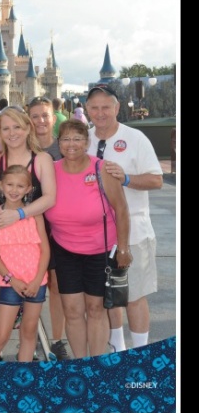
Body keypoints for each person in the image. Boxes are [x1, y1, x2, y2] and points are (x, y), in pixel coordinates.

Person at [44, 119, 131, 359]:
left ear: (86, 142)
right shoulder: (50, 171)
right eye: (65, 139)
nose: (71, 144)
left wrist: (123, 248)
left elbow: (121, 210)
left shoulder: (102, 169)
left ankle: (96, 365)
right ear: (58, 143)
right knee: (72, 311)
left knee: (95, 309)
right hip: (64, 251)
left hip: (100, 251)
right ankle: (80, 365)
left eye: (77, 138)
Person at [85, 84, 163, 351]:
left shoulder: (136, 138)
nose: (100, 113)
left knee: (134, 296)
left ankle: (140, 352)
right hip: (95, 235)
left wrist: (127, 178)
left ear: (117, 108)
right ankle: (117, 348)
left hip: (134, 233)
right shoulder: (83, 140)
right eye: (94, 107)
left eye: (106, 107)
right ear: (86, 110)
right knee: (109, 296)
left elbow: (156, 179)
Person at [0, 105, 56, 359]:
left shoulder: (41, 159)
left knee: (28, 325)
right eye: (6, 128)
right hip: (1, 245)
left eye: (17, 127)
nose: (12, 133)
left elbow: (50, 199)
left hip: (30, 244)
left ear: (27, 128)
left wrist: (19, 214)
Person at [0, 165, 50, 362]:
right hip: (11, 283)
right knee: (1, 335)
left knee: (29, 333)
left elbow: (45, 250)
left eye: (20, 186)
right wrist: (12, 280)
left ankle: (23, 381)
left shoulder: (35, 214)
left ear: (29, 189)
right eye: (10, 184)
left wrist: (38, 280)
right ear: (1, 186)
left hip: (36, 282)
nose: (14, 190)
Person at [27, 96, 69, 360]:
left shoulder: (63, 151)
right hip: (27, 229)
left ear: (54, 118)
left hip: (57, 229)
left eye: (45, 115)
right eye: (35, 116)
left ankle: (56, 340)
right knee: (26, 286)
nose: (41, 121)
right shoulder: (23, 151)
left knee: (55, 285)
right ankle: (29, 341)